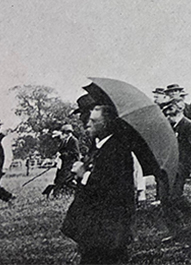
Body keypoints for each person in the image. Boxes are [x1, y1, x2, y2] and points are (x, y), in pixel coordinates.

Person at [61, 105, 136, 264]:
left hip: (109, 224)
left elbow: (111, 186)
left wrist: (84, 174)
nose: (88, 124)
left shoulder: (117, 149)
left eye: (94, 121)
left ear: (107, 124)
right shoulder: (98, 146)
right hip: (96, 224)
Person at [160, 98, 191, 225]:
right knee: (165, 198)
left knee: (175, 196)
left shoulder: (188, 125)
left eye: (171, 110)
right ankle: (177, 226)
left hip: (181, 167)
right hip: (169, 167)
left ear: (180, 110)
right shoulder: (169, 125)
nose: (168, 113)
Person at [44, 124, 81, 197]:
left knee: (66, 180)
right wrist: (58, 154)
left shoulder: (74, 140)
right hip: (63, 164)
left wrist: (63, 154)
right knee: (58, 179)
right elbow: (61, 151)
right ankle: (57, 194)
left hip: (71, 164)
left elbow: (75, 153)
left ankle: (75, 192)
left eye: (66, 133)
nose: (65, 134)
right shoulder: (64, 141)